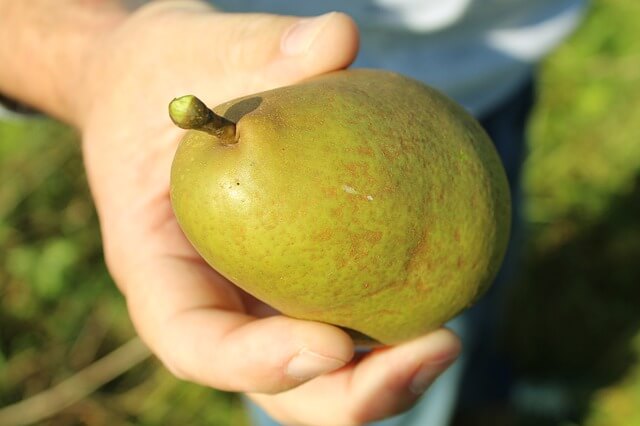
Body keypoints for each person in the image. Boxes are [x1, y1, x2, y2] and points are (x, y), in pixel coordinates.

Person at [0, 1, 586, 425]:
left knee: (487, 286)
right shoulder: (226, 181)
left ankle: (485, 397)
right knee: (382, 391)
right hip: (282, 81)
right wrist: (93, 58)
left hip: (492, 82)